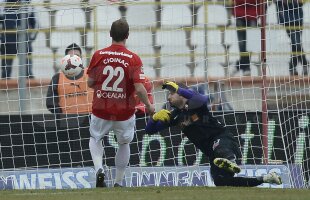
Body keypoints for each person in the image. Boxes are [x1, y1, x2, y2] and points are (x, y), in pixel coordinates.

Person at [145, 81, 282, 187]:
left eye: (171, 93)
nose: (168, 97)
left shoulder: (196, 104)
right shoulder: (175, 116)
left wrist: (180, 89)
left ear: (181, 94)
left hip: (223, 139)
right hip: (213, 154)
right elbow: (149, 130)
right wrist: (154, 118)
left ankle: (231, 160)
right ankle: (265, 178)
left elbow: (202, 99)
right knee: (220, 181)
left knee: (219, 147)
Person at [86, 19, 155, 188]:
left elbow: (89, 83)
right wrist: (148, 105)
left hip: (101, 108)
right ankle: (118, 181)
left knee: (95, 138)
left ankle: (99, 169)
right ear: (127, 36)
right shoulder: (133, 59)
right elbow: (139, 88)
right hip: (124, 111)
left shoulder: (99, 55)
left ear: (110, 34)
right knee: (124, 143)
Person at [46, 43, 93, 114]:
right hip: (66, 120)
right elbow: (50, 102)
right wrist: (60, 113)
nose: (74, 59)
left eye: (77, 56)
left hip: (90, 119)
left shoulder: (91, 74)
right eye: (71, 57)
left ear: (81, 58)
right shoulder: (57, 78)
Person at [0, 0, 37, 79]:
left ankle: (29, 88)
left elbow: (35, 24)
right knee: (6, 72)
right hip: (8, 42)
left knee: (28, 71)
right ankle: (6, 88)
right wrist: (2, 38)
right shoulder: (2, 5)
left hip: (24, 42)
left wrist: (30, 39)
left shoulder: (29, 6)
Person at [276, 0, 309, 75]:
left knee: (295, 43)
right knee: (296, 42)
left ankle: (293, 66)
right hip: (287, 17)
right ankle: (304, 64)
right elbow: (277, 2)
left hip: (298, 17)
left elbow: (302, 2)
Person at [232, 0, 261, 76]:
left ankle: (241, 65)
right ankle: (246, 66)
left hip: (253, 15)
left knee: (250, 43)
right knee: (242, 43)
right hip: (240, 14)